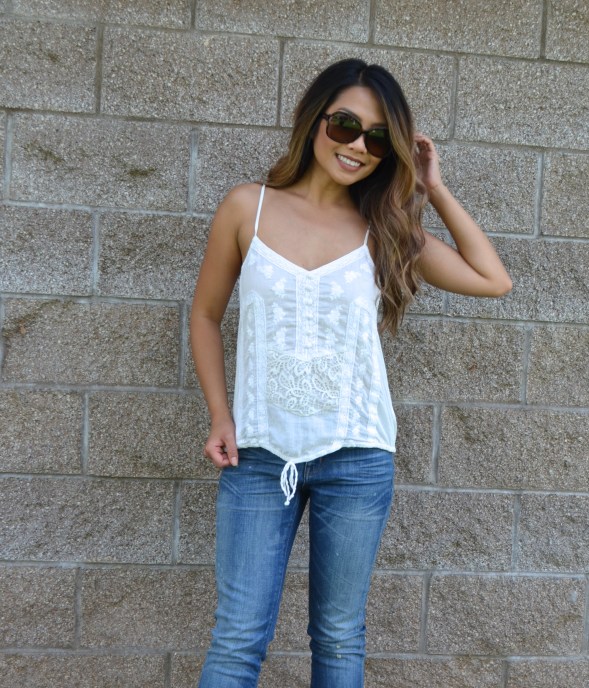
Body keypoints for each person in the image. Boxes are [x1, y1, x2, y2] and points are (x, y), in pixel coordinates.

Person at [191, 58, 512, 688]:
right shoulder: (246, 208)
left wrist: (434, 189)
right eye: (345, 125)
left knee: (338, 639)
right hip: (257, 454)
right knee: (237, 638)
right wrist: (220, 416)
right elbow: (204, 316)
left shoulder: (385, 229)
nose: (358, 146)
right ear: (315, 121)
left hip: (358, 456)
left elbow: (491, 279)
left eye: (378, 138)